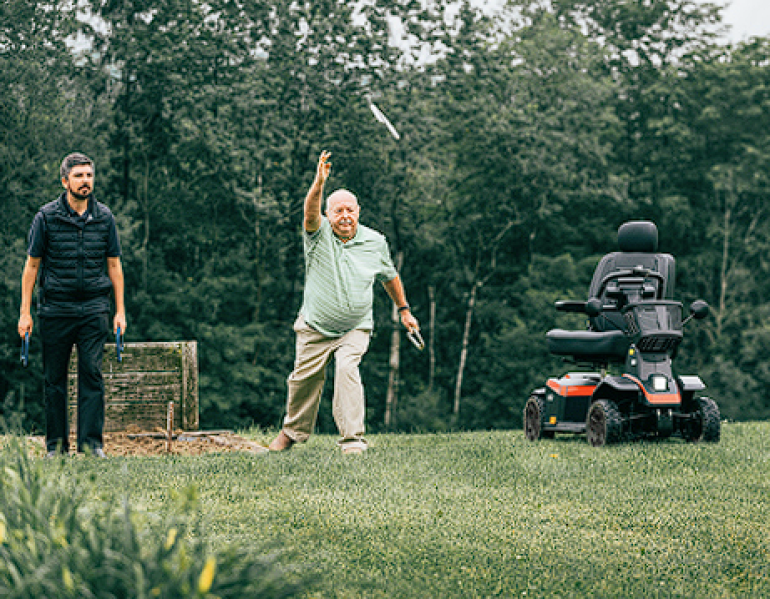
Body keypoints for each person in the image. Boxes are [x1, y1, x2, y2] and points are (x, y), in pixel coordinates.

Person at [268, 150, 419, 454]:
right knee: (303, 381)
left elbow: (390, 277)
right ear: (329, 214)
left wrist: (404, 310)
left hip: (356, 326)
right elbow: (310, 214)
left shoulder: (375, 242)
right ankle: (290, 433)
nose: (345, 216)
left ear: (359, 212)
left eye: (350, 210)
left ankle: (352, 442)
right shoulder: (318, 234)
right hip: (315, 325)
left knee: (347, 369)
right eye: (338, 211)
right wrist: (318, 184)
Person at [18, 153, 126, 458]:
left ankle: (92, 446)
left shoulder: (105, 218)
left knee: (92, 373)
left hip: (94, 308)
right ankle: (56, 447)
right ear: (65, 181)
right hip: (55, 310)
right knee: (54, 379)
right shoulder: (46, 218)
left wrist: (120, 311)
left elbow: (115, 265)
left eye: (89, 175)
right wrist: (25, 313)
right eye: (78, 176)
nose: (85, 181)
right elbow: (31, 266)